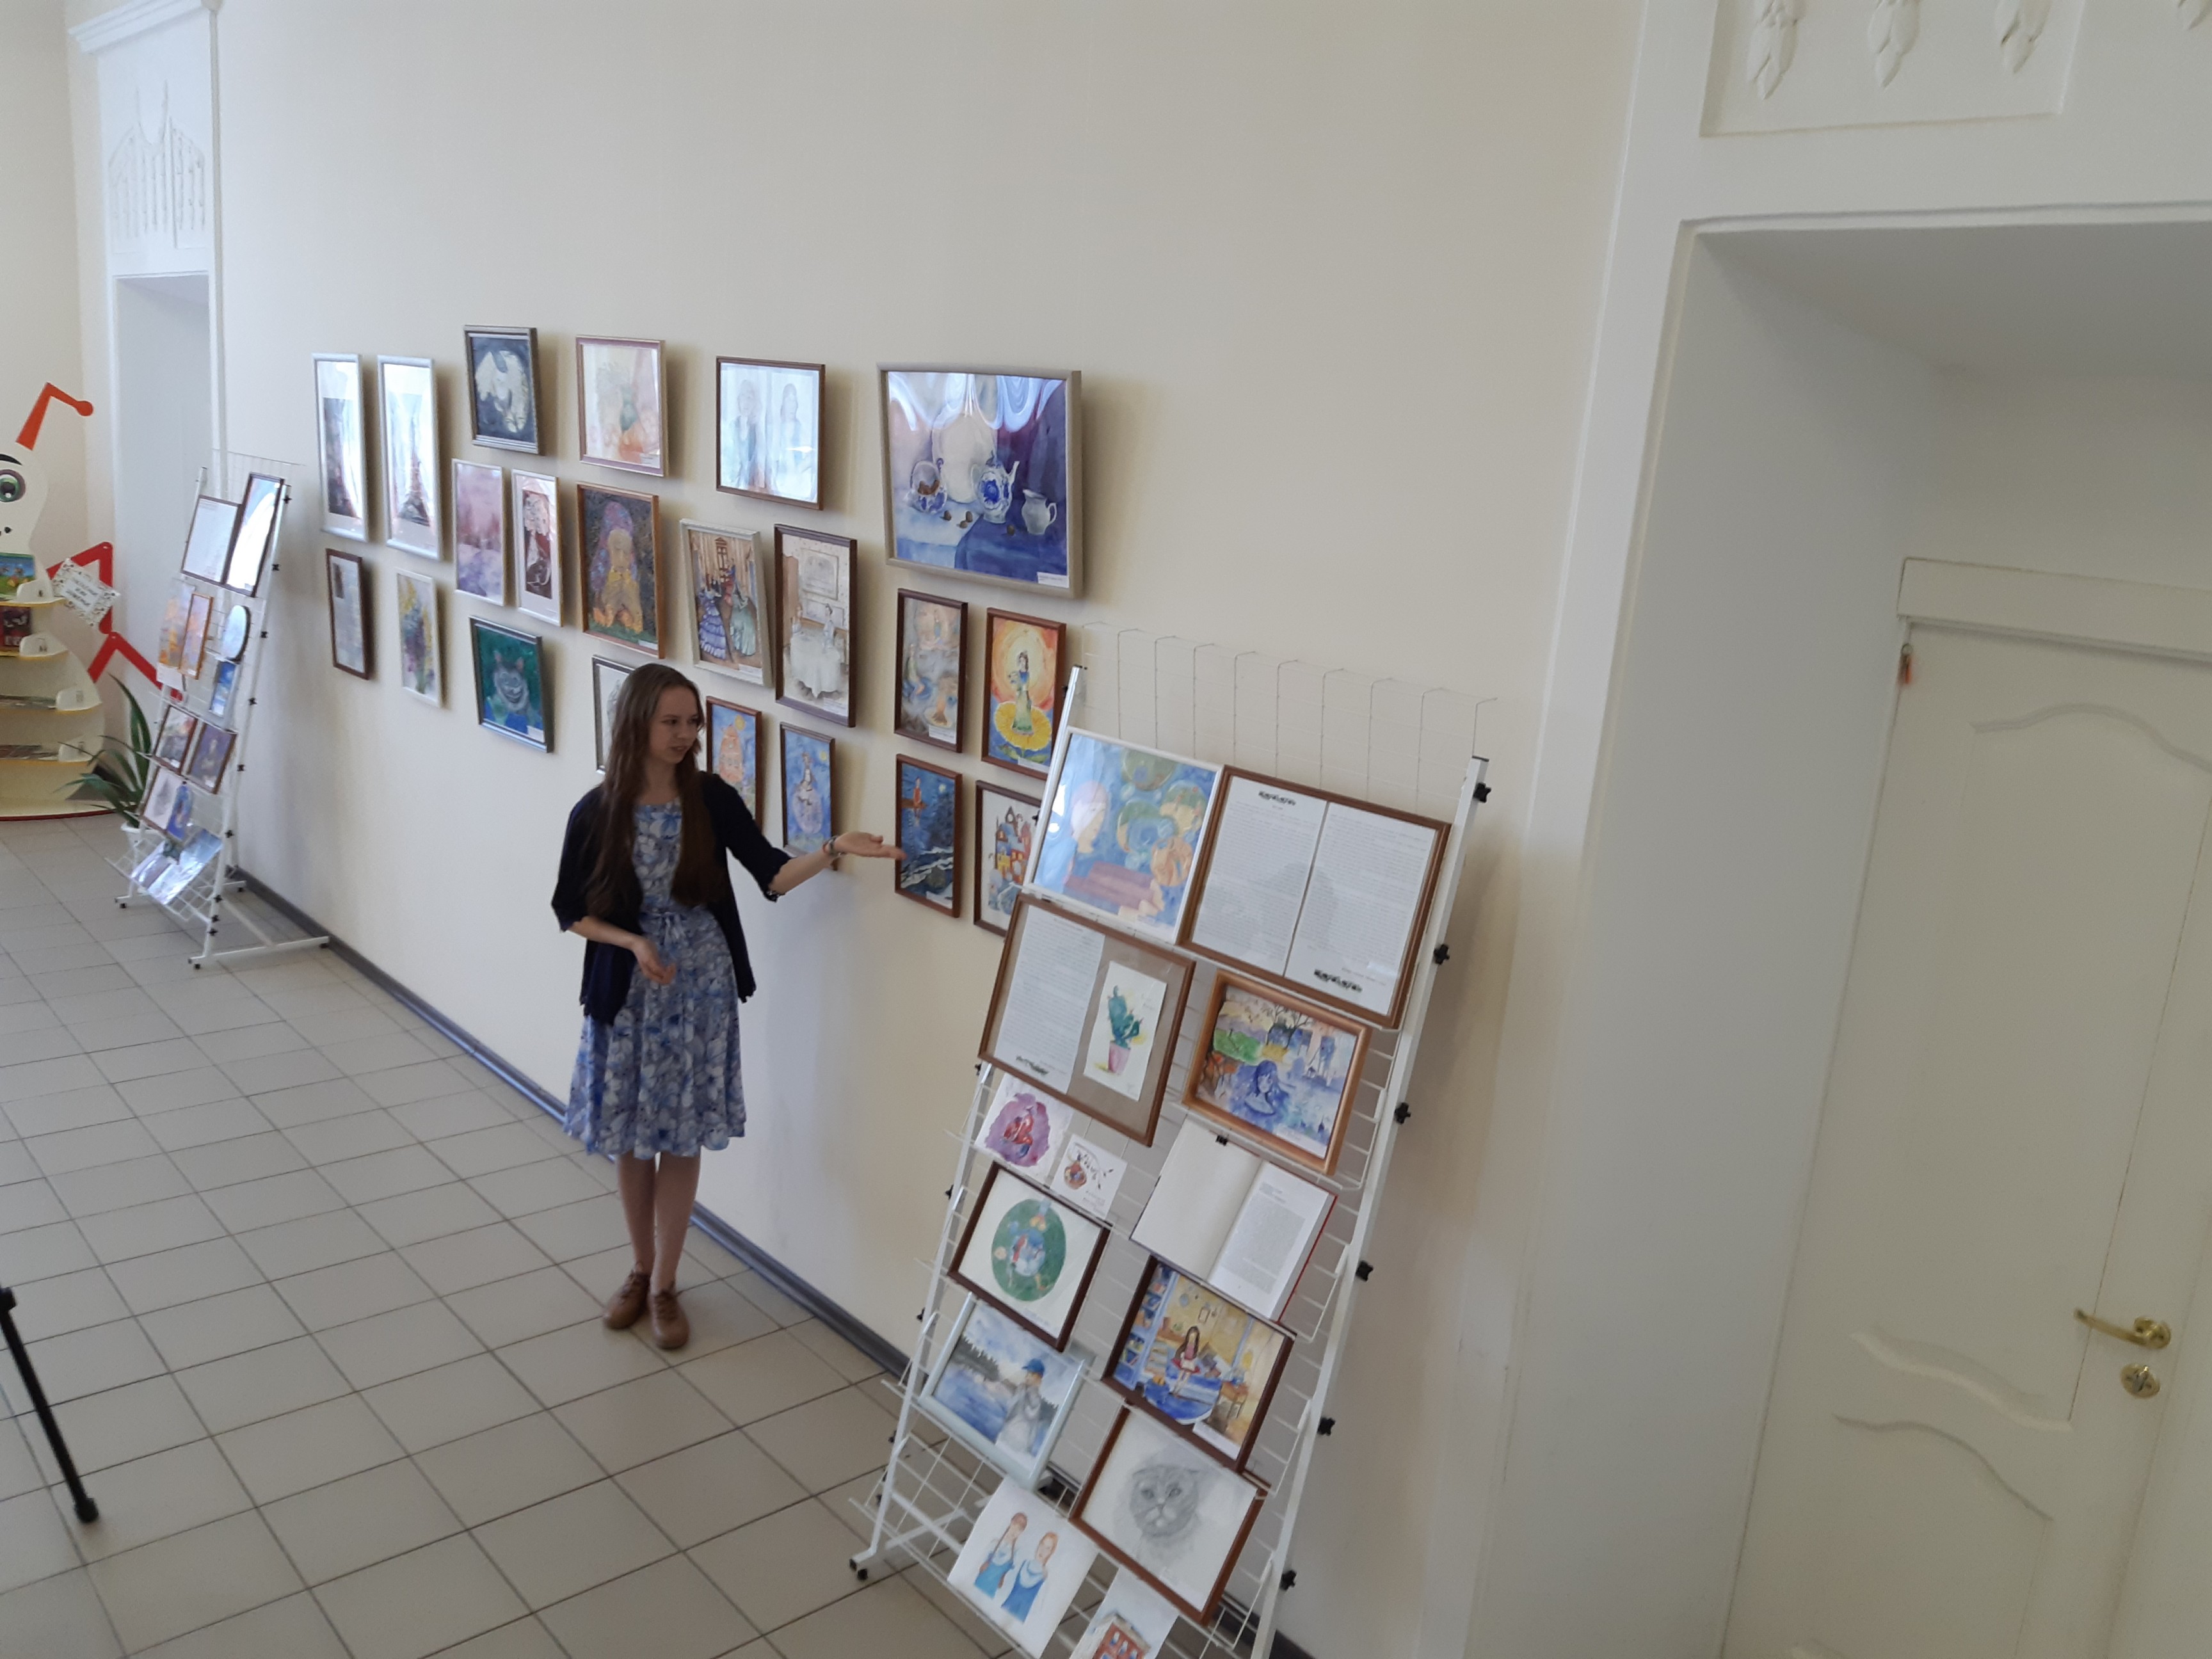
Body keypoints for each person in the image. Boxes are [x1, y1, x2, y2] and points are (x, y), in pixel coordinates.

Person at [552, 664, 900, 1349]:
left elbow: (772, 873)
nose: (685, 735)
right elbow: (570, 911)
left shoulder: (711, 798)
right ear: (636, 724)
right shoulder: (597, 811)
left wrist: (832, 849)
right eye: (671, 722)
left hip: (701, 991)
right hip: (630, 991)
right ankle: (638, 1268)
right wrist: (632, 942)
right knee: (631, 1135)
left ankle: (665, 1285)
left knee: (682, 1134)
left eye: (693, 722)